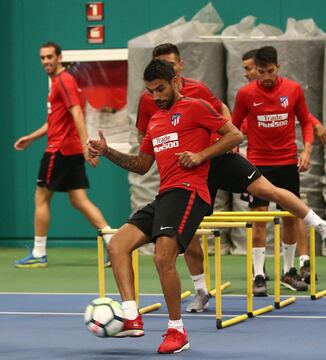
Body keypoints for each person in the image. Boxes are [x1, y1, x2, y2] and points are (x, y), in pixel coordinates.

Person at [88, 59, 242, 354]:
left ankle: (177, 331)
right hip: (165, 195)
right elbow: (141, 165)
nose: (156, 97)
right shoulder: (155, 121)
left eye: (160, 89)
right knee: (118, 244)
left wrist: (200, 156)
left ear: (175, 81)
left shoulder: (196, 107)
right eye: (150, 91)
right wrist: (106, 152)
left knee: (163, 257)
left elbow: (235, 135)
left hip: (191, 192)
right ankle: (131, 316)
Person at [136, 43, 232, 313]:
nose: (155, 94)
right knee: (187, 239)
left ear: (178, 69)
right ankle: (200, 288)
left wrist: (205, 151)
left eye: (170, 63)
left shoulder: (197, 94)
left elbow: (225, 117)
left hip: (209, 161)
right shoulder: (151, 103)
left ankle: (314, 221)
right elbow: (145, 137)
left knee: (265, 194)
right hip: (174, 180)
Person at [232, 46, 326, 296]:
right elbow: (233, 125)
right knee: (259, 220)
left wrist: (307, 150)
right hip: (258, 164)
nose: (266, 77)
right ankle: (258, 275)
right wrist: (232, 148)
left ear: (278, 67)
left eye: (271, 71)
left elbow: (306, 119)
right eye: (261, 71)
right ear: (256, 70)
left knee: (289, 217)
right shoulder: (245, 94)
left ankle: (289, 271)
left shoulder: (293, 90)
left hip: (287, 162)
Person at [14, 42, 112, 268]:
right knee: (79, 200)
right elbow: (56, 121)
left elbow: (77, 113)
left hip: (58, 151)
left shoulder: (63, 81)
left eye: (50, 57)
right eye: (42, 58)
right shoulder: (60, 82)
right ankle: (113, 241)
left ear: (59, 57)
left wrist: (86, 145)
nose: (46, 61)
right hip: (70, 150)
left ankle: (39, 253)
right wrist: (31, 137)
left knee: (41, 198)